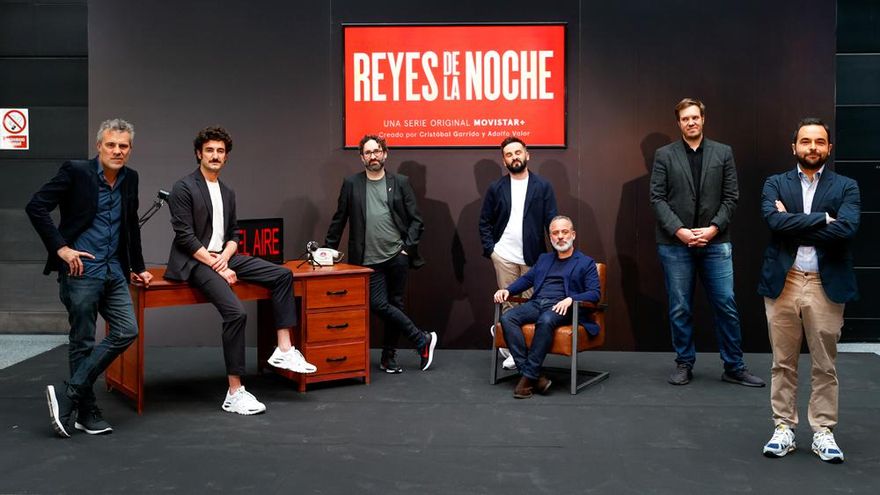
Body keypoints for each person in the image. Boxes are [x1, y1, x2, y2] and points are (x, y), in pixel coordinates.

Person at [164, 126, 316, 416]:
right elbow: (185, 237)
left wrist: (225, 257)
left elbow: (234, 232)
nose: (215, 155)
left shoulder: (227, 191)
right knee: (236, 313)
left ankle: (284, 349)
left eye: (220, 151)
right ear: (198, 153)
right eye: (210, 150)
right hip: (195, 261)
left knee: (282, 275)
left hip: (223, 257)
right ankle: (234, 392)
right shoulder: (183, 187)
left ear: (226, 157)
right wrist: (217, 265)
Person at [27, 118, 152, 437]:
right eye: (111, 144)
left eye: (123, 146)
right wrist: (61, 249)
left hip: (114, 270)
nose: (117, 150)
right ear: (99, 146)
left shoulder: (131, 178)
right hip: (81, 271)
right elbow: (36, 206)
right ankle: (86, 412)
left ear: (130, 149)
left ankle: (70, 392)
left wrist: (138, 266)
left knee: (127, 330)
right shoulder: (77, 171)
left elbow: (131, 224)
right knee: (82, 340)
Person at [759, 118, 860, 463]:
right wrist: (823, 219)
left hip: (824, 283)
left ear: (829, 148)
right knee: (782, 362)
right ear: (794, 147)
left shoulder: (847, 186)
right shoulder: (775, 183)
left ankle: (823, 431)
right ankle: (783, 427)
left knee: (825, 364)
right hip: (784, 281)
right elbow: (773, 221)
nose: (812, 147)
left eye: (819, 141)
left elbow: (847, 229)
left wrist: (793, 223)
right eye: (805, 141)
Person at [650, 98, 764, 387]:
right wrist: (680, 231)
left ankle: (734, 366)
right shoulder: (664, 155)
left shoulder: (723, 152)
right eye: (685, 119)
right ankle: (684, 363)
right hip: (675, 243)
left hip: (716, 242)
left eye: (695, 117)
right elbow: (657, 198)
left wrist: (713, 229)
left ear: (703, 119)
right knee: (680, 307)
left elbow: (731, 197)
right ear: (678, 123)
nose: (691, 122)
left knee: (726, 304)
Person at [324, 134, 436, 373]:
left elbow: (416, 220)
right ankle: (420, 338)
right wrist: (327, 250)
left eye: (376, 151)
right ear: (361, 157)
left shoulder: (400, 182)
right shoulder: (352, 184)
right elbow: (339, 219)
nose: (372, 156)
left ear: (385, 154)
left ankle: (388, 356)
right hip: (367, 260)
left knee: (395, 304)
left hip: (396, 256)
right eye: (368, 152)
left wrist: (406, 249)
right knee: (378, 304)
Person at [493, 216, 599, 399]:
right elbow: (527, 279)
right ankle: (532, 375)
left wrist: (571, 299)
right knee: (508, 317)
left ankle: (526, 379)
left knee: (546, 319)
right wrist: (507, 290)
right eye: (555, 233)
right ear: (551, 238)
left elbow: (595, 293)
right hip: (537, 303)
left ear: (573, 235)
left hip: (562, 307)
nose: (560, 236)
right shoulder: (544, 259)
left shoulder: (585, 262)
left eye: (564, 232)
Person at [480, 136, 558, 370]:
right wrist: (492, 251)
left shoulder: (542, 186)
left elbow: (552, 221)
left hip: (534, 257)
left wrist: (554, 256)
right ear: (504, 161)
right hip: (503, 255)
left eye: (518, 152)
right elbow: (484, 221)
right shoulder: (496, 188)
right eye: (509, 154)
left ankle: (519, 351)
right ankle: (515, 353)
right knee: (509, 305)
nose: (514, 157)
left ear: (527, 155)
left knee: (532, 306)